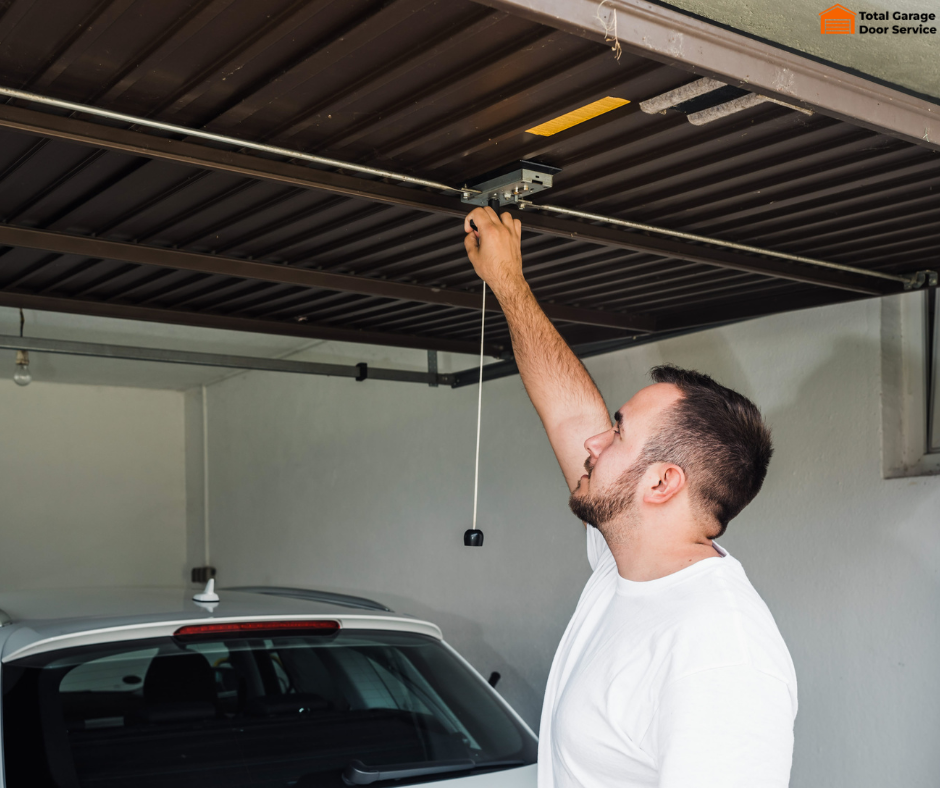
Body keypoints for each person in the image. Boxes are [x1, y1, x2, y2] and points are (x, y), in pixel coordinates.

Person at [463, 207, 798, 788]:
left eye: (617, 432)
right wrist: (508, 283)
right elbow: (570, 413)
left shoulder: (720, 650)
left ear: (662, 483)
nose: (594, 440)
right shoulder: (623, 565)